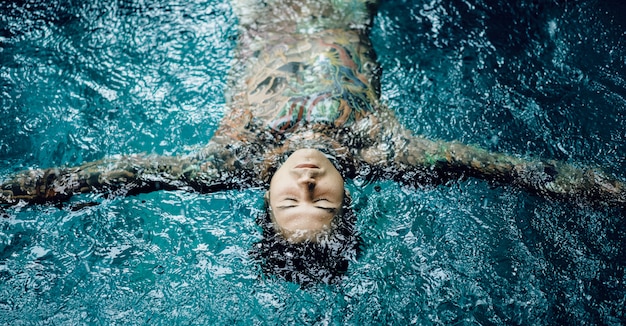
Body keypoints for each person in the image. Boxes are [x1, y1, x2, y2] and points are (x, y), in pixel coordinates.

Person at [1, 0, 624, 283]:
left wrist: (11, 193)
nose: (305, 184)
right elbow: (516, 170)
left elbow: (106, 177)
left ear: (262, 199)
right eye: (321, 203)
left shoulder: (228, 162)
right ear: (347, 198)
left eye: (288, 202)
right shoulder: (389, 152)